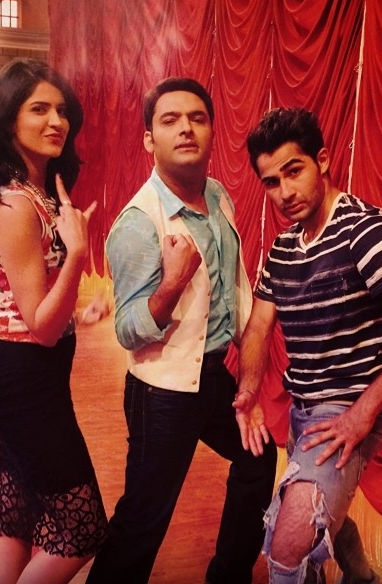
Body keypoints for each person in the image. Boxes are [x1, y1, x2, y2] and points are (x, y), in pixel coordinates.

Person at [233, 107, 382, 584]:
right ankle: (362, 578)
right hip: (304, 410)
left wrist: (364, 411)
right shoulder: (284, 247)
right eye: (272, 182)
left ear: (323, 161)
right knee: (319, 515)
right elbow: (258, 326)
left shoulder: (362, 229)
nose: (285, 192)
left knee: (287, 546)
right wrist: (249, 391)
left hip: (344, 411)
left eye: (294, 171)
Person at [86, 77, 278, 584]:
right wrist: (171, 285)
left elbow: (235, 291)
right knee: (144, 519)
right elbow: (128, 331)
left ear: (212, 131)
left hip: (212, 377)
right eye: (170, 121)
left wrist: (250, 380)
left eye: (197, 118)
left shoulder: (218, 197)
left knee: (257, 458)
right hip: (162, 391)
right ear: (150, 140)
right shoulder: (136, 223)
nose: (186, 129)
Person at [0, 58, 108, 584]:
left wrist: (78, 315)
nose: (56, 121)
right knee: (83, 530)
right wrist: (78, 253)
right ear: (7, 121)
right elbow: (40, 326)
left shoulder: (27, 193)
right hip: (24, 384)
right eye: (39, 109)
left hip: (24, 376)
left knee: (18, 515)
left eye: (61, 110)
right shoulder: (18, 205)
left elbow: (25, 303)